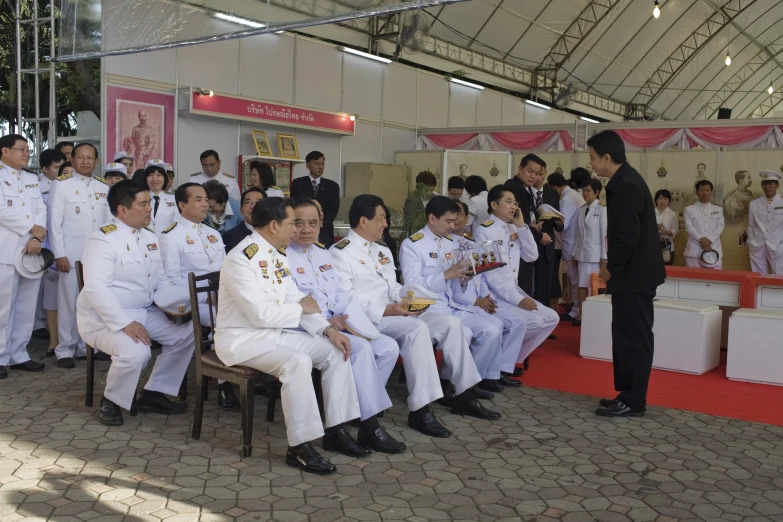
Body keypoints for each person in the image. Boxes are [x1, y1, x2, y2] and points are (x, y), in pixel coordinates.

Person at [215, 197, 365, 474]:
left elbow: (297, 298)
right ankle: (300, 447)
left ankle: (336, 431)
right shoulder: (241, 258)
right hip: (242, 339)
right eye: (291, 224)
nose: (295, 231)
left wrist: (328, 330)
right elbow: (261, 314)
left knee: (335, 351)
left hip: (273, 333)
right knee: (297, 361)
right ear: (274, 225)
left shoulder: (276, 253)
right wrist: (298, 307)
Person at [332, 194, 495, 422]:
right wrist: (388, 310)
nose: (386, 224)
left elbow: (395, 287)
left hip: (396, 311)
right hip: (370, 319)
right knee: (415, 330)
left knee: (450, 323)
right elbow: (345, 300)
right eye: (381, 219)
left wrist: (415, 300)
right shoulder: (341, 253)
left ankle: (464, 395)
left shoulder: (381, 250)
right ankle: (420, 409)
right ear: (363, 221)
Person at [287, 199, 407, 454]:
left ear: (321, 225)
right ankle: (367, 425)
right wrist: (328, 324)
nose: (306, 229)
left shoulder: (321, 253)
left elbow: (339, 293)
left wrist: (346, 317)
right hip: (306, 328)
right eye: (299, 223)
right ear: (288, 224)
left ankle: (356, 409)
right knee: (358, 349)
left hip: (337, 322)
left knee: (387, 347)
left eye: (313, 223)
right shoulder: (282, 257)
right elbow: (295, 306)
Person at [77, 180, 195, 426]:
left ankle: (154, 393)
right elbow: (96, 288)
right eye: (142, 204)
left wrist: (182, 304)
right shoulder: (103, 239)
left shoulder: (149, 237)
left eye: (149, 203)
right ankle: (111, 399)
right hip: (102, 320)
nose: (149, 209)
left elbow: (160, 281)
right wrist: (124, 323)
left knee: (187, 333)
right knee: (137, 352)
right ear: (122, 210)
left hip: (142, 312)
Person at [400, 196, 514, 396]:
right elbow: (411, 287)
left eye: (455, 221)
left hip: (451, 305)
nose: (453, 226)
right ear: (432, 219)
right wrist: (445, 275)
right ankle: (460, 388)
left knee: (493, 327)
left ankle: (463, 382)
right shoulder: (413, 245)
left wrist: (465, 277)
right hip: (427, 308)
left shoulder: (450, 243)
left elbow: (455, 283)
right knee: (464, 332)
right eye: (448, 221)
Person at [588, 130, 665, 418]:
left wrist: (610, 271)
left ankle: (635, 401)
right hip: (630, 274)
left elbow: (627, 237)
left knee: (635, 337)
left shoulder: (627, 185)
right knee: (625, 334)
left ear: (607, 157)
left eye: (594, 158)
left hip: (634, 275)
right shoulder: (623, 181)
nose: (592, 164)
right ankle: (628, 394)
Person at [159, 181, 239, 410]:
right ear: (182, 205)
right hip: (190, 301)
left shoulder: (212, 233)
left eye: (206, 199)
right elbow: (172, 281)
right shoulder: (170, 236)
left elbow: (226, 271)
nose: (205, 204)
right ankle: (226, 385)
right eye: (198, 200)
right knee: (222, 321)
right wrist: (205, 297)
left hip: (220, 298)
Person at [473, 186, 558, 370]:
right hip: (494, 294)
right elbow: (491, 274)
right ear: (494, 205)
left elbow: (531, 256)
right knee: (534, 321)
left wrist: (522, 226)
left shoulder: (514, 227)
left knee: (551, 318)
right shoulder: (484, 231)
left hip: (513, 291)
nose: (513, 207)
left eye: (515, 203)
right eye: (508, 202)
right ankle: (502, 366)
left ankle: (507, 360)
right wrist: (519, 300)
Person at [450, 200, 528, 383]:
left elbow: (482, 276)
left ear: (467, 218)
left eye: (458, 214)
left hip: (478, 300)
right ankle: (475, 379)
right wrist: (476, 302)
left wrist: (485, 297)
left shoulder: (471, 242)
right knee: (493, 328)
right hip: (460, 304)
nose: (454, 219)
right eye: (450, 215)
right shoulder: (444, 245)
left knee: (505, 323)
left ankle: (491, 375)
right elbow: (449, 286)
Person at [48, 143, 111, 369]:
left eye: (90, 158)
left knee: (93, 304)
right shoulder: (61, 186)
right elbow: (54, 224)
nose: (85, 162)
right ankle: (64, 349)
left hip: (96, 257)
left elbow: (108, 224)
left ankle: (86, 347)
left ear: (96, 161)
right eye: (81, 157)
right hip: (71, 256)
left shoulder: (103, 187)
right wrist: (59, 254)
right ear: (72, 160)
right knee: (68, 302)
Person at [0, 134, 47, 379]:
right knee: (3, 307)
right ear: (5, 151)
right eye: (21, 149)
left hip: (33, 249)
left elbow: (41, 207)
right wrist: (31, 229)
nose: (27, 153)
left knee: (27, 306)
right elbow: (1, 210)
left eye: (27, 149)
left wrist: (36, 238)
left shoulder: (31, 178)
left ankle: (19, 354)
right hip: (6, 250)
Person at [504, 154, 549, 295]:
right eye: (530, 171)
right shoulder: (515, 188)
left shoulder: (524, 187)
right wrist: (539, 235)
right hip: (515, 239)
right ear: (520, 168)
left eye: (537, 174)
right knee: (521, 284)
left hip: (521, 236)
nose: (533, 176)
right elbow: (517, 219)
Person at [35, 149, 66, 347]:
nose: (60, 171)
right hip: (44, 244)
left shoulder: (66, 186)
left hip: (64, 244)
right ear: (45, 169)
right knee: (44, 293)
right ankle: (41, 327)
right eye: (56, 167)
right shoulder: (36, 186)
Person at [548, 171, 585, 321]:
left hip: (572, 242)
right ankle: (577, 308)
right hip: (576, 241)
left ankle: (575, 311)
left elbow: (563, 223)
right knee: (576, 279)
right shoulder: (573, 194)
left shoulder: (567, 199)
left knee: (576, 279)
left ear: (554, 187)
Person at [571, 179, 607, 327]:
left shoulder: (602, 209)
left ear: (597, 192)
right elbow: (578, 234)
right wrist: (575, 253)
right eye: (583, 190)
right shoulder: (581, 209)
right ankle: (581, 313)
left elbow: (604, 234)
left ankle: (595, 313)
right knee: (582, 284)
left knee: (595, 285)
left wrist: (604, 257)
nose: (584, 193)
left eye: (588, 191)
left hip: (596, 255)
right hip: (582, 254)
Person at [289, 151, 340, 247]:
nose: (320, 167)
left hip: (325, 230)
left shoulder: (332, 186)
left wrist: (319, 224)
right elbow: (293, 205)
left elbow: (334, 208)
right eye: (317, 164)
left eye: (322, 164)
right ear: (307, 165)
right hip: (302, 229)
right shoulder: (298, 183)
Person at [530, 165, 562, 308]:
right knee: (529, 284)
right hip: (529, 242)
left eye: (541, 174)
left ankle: (544, 318)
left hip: (547, 244)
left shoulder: (552, 194)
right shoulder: (525, 192)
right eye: (535, 174)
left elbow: (556, 224)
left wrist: (559, 223)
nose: (537, 177)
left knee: (545, 284)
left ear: (545, 174)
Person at [746, 171, 783, 274]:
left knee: (779, 279)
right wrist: (750, 241)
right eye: (765, 183)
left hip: (778, 248)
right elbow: (751, 225)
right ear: (762, 186)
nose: (768, 186)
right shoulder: (754, 204)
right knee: (758, 279)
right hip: (757, 247)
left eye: (771, 183)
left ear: (777, 185)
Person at [684, 180, 724, 269]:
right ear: (696, 192)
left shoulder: (718, 209)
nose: (704, 193)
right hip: (694, 251)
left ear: (711, 192)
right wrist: (702, 241)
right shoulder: (689, 209)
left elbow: (720, 226)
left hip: (714, 250)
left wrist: (709, 240)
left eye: (707, 190)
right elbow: (689, 227)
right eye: (702, 190)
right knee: (693, 280)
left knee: (715, 279)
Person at [223, 187, 265, 253]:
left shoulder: (275, 233)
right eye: (248, 202)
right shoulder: (229, 237)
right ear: (241, 210)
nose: (253, 206)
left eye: (258, 202)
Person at [142, 159, 177, 235]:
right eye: (150, 175)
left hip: (167, 243)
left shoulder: (174, 199)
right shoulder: (139, 198)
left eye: (159, 175)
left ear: (165, 178)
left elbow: (177, 225)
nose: (154, 179)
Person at [403, 170, 438, 236]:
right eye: (427, 190)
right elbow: (409, 225)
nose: (429, 193)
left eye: (432, 190)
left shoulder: (435, 199)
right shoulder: (411, 201)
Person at [654, 189, 679, 266]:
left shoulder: (672, 214)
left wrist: (665, 231)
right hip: (652, 244)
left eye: (665, 199)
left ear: (669, 201)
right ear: (656, 200)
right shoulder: (650, 212)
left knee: (667, 267)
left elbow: (675, 229)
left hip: (667, 245)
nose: (662, 201)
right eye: (660, 198)